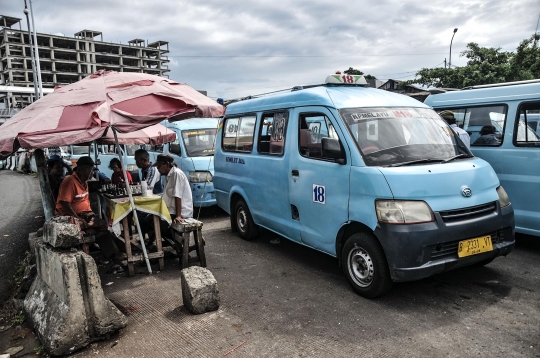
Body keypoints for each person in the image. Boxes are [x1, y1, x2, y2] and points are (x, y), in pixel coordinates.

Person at [55, 156, 124, 269]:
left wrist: (90, 215)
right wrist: (77, 218)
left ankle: (114, 252)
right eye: (92, 170)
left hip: (84, 215)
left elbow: (85, 202)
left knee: (103, 225)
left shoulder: (84, 182)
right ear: (84, 169)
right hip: (68, 217)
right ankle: (115, 253)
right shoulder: (70, 181)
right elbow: (64, 202)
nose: (93, 172)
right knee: (98, 226)